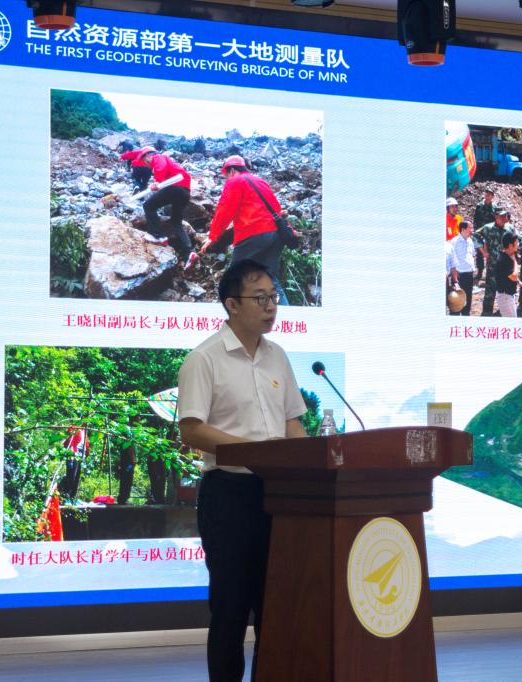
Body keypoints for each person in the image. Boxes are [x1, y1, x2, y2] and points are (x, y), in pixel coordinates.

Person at [177, 259, 308, 682]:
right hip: (228, 496)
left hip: (278, 497)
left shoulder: (278, 357)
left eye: (274, 297)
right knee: (231, 609)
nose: (271, 306)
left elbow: (292, 423)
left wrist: (313, 461)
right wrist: (254, 453)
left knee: (276, 608)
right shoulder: (204, 359)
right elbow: (191, 429)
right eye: (260, 298)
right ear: (232, 304)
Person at [202, 156, 289, 304]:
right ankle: (286, 314)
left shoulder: (235, 181)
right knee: (271, 280)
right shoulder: (260, 181)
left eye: (226, 175)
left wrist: (213, 236)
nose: (226, 178)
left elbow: (224, 211)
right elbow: (276, 208)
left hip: (253, 235)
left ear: (232, 170)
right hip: (276, 235)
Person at [140, 147, 196, 268]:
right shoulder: (170, 163)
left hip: (175, 188)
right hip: (185, 193)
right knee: (176, 222)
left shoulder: (158, 157)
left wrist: (157, 182)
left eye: (144, 161)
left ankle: (158, 236)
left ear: (147, 155)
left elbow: (161, 167)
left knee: (148, 206)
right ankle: (190, 253)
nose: (146, 164)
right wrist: (159, 184)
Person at [476, 208, 514, 316]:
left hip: (506, 266)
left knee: (506, 290)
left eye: (505, 216)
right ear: (496, 217)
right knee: (490, 291)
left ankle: (503, 312)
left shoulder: (509, 228)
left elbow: (517, 239)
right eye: (501, 216)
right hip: (493, 265)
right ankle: (487, 313)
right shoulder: (488, 228)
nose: (503, 218)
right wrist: (483, 251)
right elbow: (475, 235)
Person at [448, 221, 477, 316]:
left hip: (469, 275)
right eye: (470, 228)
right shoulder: (454, 241)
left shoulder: (470, 241)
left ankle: (465, 316)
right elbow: (451, 260)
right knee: (456, 301)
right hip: (459, 275)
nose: (472, 230)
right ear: (463, 229)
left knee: (467, 299)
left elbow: (473, 255)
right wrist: (455, 279)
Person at [494, 232, 522, 317]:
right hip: (505, 296)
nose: (518, 244)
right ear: (510, 245)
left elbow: (508, 276)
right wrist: (515, 261)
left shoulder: (508, 256)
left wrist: (518, 282)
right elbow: (513, 276)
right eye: (516, 242)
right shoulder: (503, 259)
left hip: (508, 295)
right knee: (512, 322)